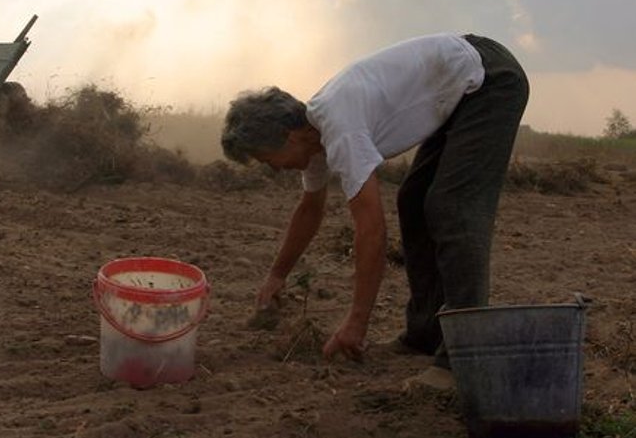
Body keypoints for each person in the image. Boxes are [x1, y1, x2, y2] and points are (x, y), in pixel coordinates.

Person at [221, 33, 529, 387]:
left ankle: (462, 358)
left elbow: (371, 229)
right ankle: (425, 335)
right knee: (413, 201)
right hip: (464, 87)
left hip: (491, 79)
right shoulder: (313, 136)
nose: (272, 168)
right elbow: (310, 209)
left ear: (289, 137)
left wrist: (357, 321)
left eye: (265, 159)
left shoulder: (339, 127)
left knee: (452, 206)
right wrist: (276, 275)